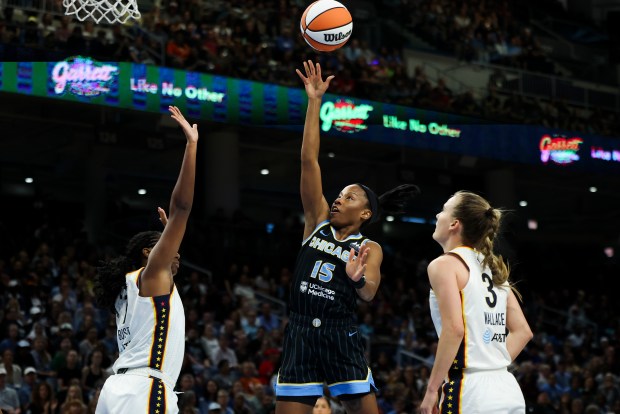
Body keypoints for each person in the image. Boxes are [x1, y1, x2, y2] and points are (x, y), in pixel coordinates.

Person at [274, 60, 419, 414]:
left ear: (366, 213)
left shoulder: (369, 247)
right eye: (339, 194)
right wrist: (314, 102)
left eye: (349, 197)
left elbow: (369, 292)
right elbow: (309, 161)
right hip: (301, 333)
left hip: (342, 335)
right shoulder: (317, 222)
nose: (339, 198)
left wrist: (357, 279)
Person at [94, 106, 199, 414]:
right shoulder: (152, 274)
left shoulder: (132, 285)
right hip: (144, 389)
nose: (176, 253)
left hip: (116, 391)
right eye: (168, 247)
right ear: (147, 253)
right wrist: (191, 145)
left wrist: (168, 234)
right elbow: (181, 206)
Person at [419, 191, 534, 414]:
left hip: (470, 392)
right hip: (506, 387)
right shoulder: (493, 267)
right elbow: (523, 331)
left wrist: (432, 390)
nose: (437, 214)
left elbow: (454, 329)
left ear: (454, 223)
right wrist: (490, 363)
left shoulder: (443, 265)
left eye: (443, 209)